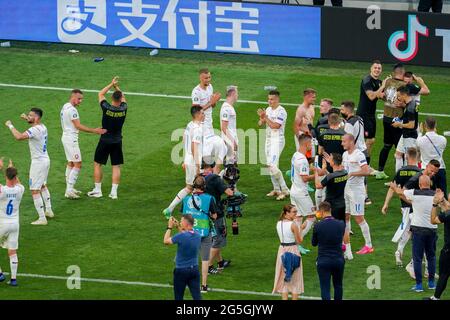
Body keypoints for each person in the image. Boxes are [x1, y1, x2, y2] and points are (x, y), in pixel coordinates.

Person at [5, 108, 54, 225]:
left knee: (34, 190)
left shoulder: (35, 130)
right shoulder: (43, 126)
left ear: (36, 118)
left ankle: (42, 218)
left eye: (30, 115)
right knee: (42, 185)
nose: (28, 116)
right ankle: (49, 210)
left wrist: (10, 125)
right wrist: (26, 118)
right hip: (45, 160)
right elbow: (33, 122)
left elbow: (19, 137)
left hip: (38, 163)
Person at [391, 175, 437, 292]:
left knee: (417, 258)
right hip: (432, 229)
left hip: (418, 230)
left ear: (420, 185)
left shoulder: (414, 193)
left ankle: (419, 285)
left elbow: (400, 192)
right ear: (430, 184)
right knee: (431, 257)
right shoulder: (435, 195)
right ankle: (431, 283)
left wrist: (393, 187)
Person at [60, 89, 106, 199]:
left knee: (71, 163)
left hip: (65, 137)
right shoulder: (73, 111)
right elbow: (78, 126)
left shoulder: (64, 106)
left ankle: (69, 189)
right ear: (73, 97)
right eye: (79, 99)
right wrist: (94, 130)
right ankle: (69, 190)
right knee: (78, 164)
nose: (80, 101)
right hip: (71, 140)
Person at [87, 77, 127, 200]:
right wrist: (117, 87)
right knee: (116, 166)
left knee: (97, 164)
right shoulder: (124, 108)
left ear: (112, 98)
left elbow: (100, 93)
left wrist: (111, 84)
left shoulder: (106, 107)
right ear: (120, 99)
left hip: (104, 140)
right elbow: (123, 97)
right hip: (117, 140)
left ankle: (98, 190)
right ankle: (113, 193)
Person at [381, 147, 421, 267]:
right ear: (418, 157)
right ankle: (415, 258)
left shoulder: (401, 171)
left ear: (407, 157)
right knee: (417, 232)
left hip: (404, 206)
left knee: (408, 230)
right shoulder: (421, 172)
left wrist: (386, 204)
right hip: (417, 206)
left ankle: (400, 252)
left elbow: (392, 188)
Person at [163, 106, 204, 218]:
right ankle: (196, 213)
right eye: (202, 113)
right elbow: (194, 146)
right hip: (194, 161)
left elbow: (185, 141)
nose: (204, 115)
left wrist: (185, 160)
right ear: (197, 115)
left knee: (189, 188)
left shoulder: (189, 125)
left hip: (188, 160)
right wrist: (197, 166)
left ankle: (169, 209)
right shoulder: (197, 128)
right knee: (197, 188)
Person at [181, 175, 218, 293]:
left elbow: (183, 217)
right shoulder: (209, 198)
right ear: (204, 186)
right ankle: (204, 286)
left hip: (189, 233)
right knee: (205, 259)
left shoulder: (186, 199)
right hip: (204, 232)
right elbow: (215, 216)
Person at [342, 134, 373, 258]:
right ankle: (346, 243)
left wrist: (352, 173)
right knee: (346, 216)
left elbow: (366, 171)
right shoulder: (345, 155)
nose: (342, 143)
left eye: (344, 141)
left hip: (357, 191)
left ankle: (369, 245)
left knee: (359, 218)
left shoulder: (359, 154)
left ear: (351, 141)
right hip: (347, 189)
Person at [202, 159, 234, 274]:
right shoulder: (215, 179)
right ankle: (209, 266)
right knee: (219, 239)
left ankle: (220, 262)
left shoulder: (199, 178)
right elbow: (229, 193)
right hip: (216, 214)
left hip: (204, 214)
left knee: (215, 237)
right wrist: (231, 185)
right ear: (211, 168)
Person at [375, 64, 406, 179]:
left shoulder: (387, 82)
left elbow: (381, 96)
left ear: (394, 72)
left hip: (386, 118)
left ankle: (380, 171)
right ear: (402, 73)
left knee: (386, 145)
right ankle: (401, 174)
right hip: (397, 120)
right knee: (400, 148)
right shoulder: (404, 85)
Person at [258, 90, 289, 201]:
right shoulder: (268, 109)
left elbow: (275, 126)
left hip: (277, 140)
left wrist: (265, 117)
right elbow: (260, 123)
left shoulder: (281, 112)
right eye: (268, 99)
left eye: (271, 99)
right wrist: (262, 117)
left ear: (277, 99)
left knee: (272, 166)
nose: (269, 101)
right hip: (268, 140)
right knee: (269, 165)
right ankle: (276, 189)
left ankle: (285, 190)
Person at [312, 201, 346, 300]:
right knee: (338, 285)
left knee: (325, 287)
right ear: (330, 210)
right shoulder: (341, 224)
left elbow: (314, 243)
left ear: (321, 212)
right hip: (338, 260)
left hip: (323, 260)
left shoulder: (318, 226)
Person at [163, 215, 202, 300]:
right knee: (197, 297)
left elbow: (166, 241)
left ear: (186, 223)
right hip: (194, 270)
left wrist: (169, 227)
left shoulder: (181, 237)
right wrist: (178, 226)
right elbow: (186, 236)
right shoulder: (198, 236)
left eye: (181, 221)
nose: (180, 222)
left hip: (181, 271)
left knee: (178, 297)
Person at [341, 101, 371, 205]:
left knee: (355, 174)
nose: (341, 112)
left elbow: (348, 139)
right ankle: (366, 197)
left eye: (342, 110)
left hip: (356, 152)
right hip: (364, 150)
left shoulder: (349, 124)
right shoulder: (359, 118)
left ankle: (358, 196)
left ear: (348, 110)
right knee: (363, 175)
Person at [289, 134, 316, 255]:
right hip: (301, 193)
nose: (311, 146)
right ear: (306, 144)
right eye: (310, 144)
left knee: (298, 217)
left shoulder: (296, 155)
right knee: (312, 216)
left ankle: (296, 245)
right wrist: (317, 175)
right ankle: (297, 242)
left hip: (293, 190)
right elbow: (305, 178)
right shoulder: (303, 160)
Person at [0, 159, 24, 286]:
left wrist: (1, 167)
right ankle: (13, 279)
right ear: (15, 177)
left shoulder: (2, 190)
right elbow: (17, 183)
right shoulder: (20, 190)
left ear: (6, 177)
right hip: (15, 224)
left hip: (2, 224)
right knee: (12, 251)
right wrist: (11, 168)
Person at [356, 60, 384, 168]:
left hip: (371, 114)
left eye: (379, 68)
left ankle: (366, 164)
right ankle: (363, 164)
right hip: (363, 114)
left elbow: (382, 96)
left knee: (371, 140)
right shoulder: (367, 80)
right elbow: (371, 96)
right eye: (375, 68)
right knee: (365, 141)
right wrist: (383, 86)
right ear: (371, 69)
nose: (377, 70)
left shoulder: (379, 82)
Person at [273, 204, 304, 300]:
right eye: (294, 212)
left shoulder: (279, 223)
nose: (296, 213)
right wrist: (302, 229)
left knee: (284, 280)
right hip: (293, 250)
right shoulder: (293, 225)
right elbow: (299, 241)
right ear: (287, 213)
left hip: (282, 251)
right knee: (295, 280)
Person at [417, 117, 447, 197]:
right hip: (439, 169)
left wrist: (420, 132)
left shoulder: (420, 140)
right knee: (443, 195)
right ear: (435, 125)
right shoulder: (443, 139)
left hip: (427, 171)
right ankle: (445, 209)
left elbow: (418, 148)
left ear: (425, 126)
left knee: (427, 196)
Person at [392, 86, 419, 172]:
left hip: (410, 137)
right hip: (405, 134)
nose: (398, 98)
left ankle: (408, 182)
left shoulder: (410, 108)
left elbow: (411, 125)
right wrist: (401, 104)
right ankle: (398, 179)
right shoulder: (411, 103)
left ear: (404, 95)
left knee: (409, 160)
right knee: (398, 155)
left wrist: (399, 124)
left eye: (399, 96)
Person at [429, 189, 450, 300]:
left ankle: (436, 297)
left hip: (448, 251)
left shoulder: (447, 215)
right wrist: (443, 201)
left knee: (444, 275)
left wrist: (435, 204)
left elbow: (433, 220)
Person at [191, 68, 221, 138]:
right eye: (206, 78)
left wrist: (215, 100)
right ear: (200, 78)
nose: (208, 80)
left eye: (209, 77)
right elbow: (195, 111)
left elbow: (212, 106)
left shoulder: (210, 87)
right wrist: (211, 102)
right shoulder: (196, 92)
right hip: (201, 124)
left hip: (209, 122)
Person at [293, 88, 316, 155]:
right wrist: (300, 140)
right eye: (313, 97)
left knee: (312, 157)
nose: (314, 99)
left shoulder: (312, 107)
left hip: (309, 135)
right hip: (302, 135)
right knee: (303, 156)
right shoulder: (301, 109)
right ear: (306, 97)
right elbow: (295, 126)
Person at [220, 86, 239, 165]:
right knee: (230, 166)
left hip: (231, 138)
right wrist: (232, 141)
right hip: (229, 139)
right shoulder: (226, 108)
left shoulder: (229, 107)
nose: (237, 95)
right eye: (237, 93)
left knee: (232, 164)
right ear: (233, 94)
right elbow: (224, 128)